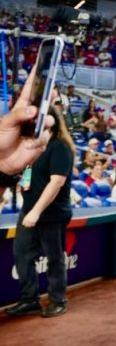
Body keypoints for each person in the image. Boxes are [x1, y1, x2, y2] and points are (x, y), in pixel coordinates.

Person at [5, 104, 76, 318]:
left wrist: (35, 212)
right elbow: (27, 170)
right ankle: (29, 299)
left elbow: (56, 183)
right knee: (22, 254)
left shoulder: (59, 147)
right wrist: (24, 184)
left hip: (51, 214)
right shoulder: (31, 147)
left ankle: (58, 300)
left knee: (54, 258)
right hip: (28, 210)